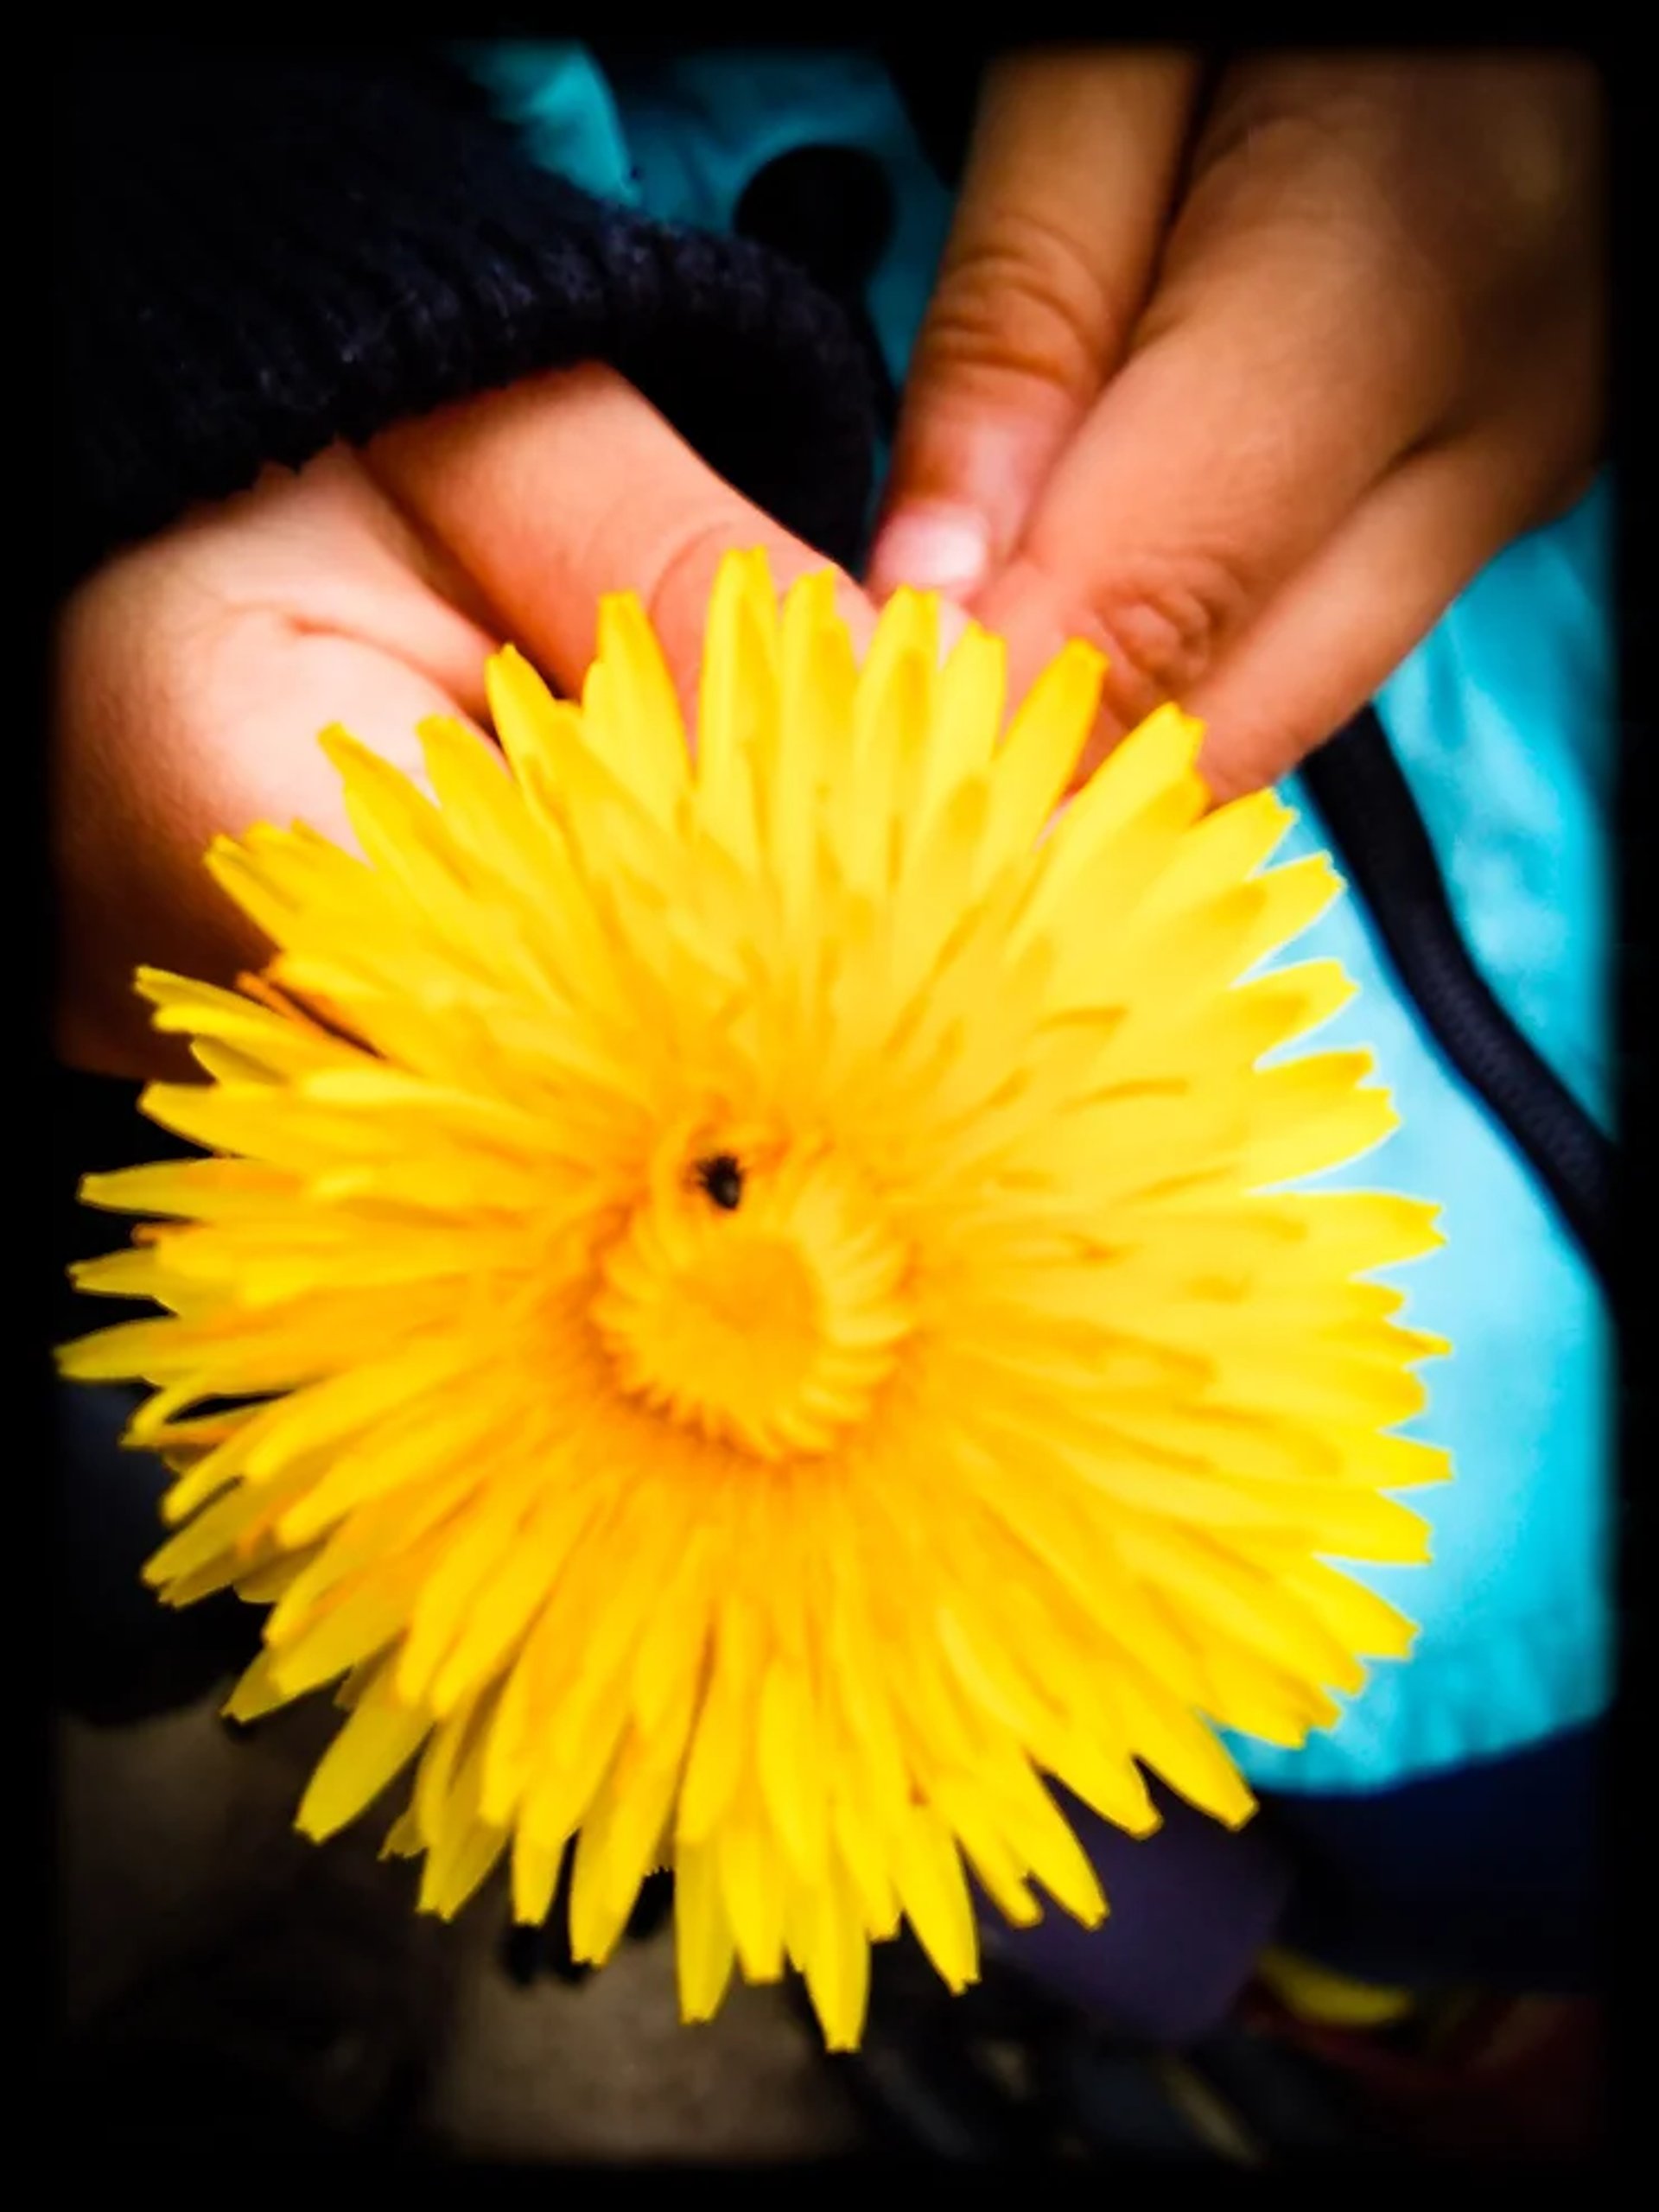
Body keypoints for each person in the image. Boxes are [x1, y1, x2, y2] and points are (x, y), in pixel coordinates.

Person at [51, 38, 1611, 2157]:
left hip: (1371, 1567)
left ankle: (1343, 1998)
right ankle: (1287, 2004)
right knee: (1247, 1876)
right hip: (1275, 1671)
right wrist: (156, 309)